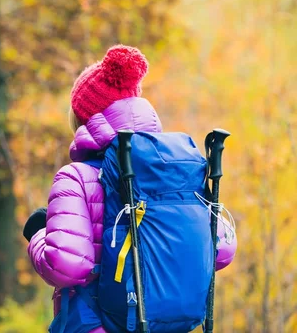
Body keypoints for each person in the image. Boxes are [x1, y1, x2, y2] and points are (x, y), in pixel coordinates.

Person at [23, 45, 237, 333]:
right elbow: (222, 250)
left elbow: (66, 265)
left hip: (100, 322)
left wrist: (39, 235)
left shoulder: (76, 177)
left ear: (83, 119)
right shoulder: (176, 166)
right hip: (166, 325)